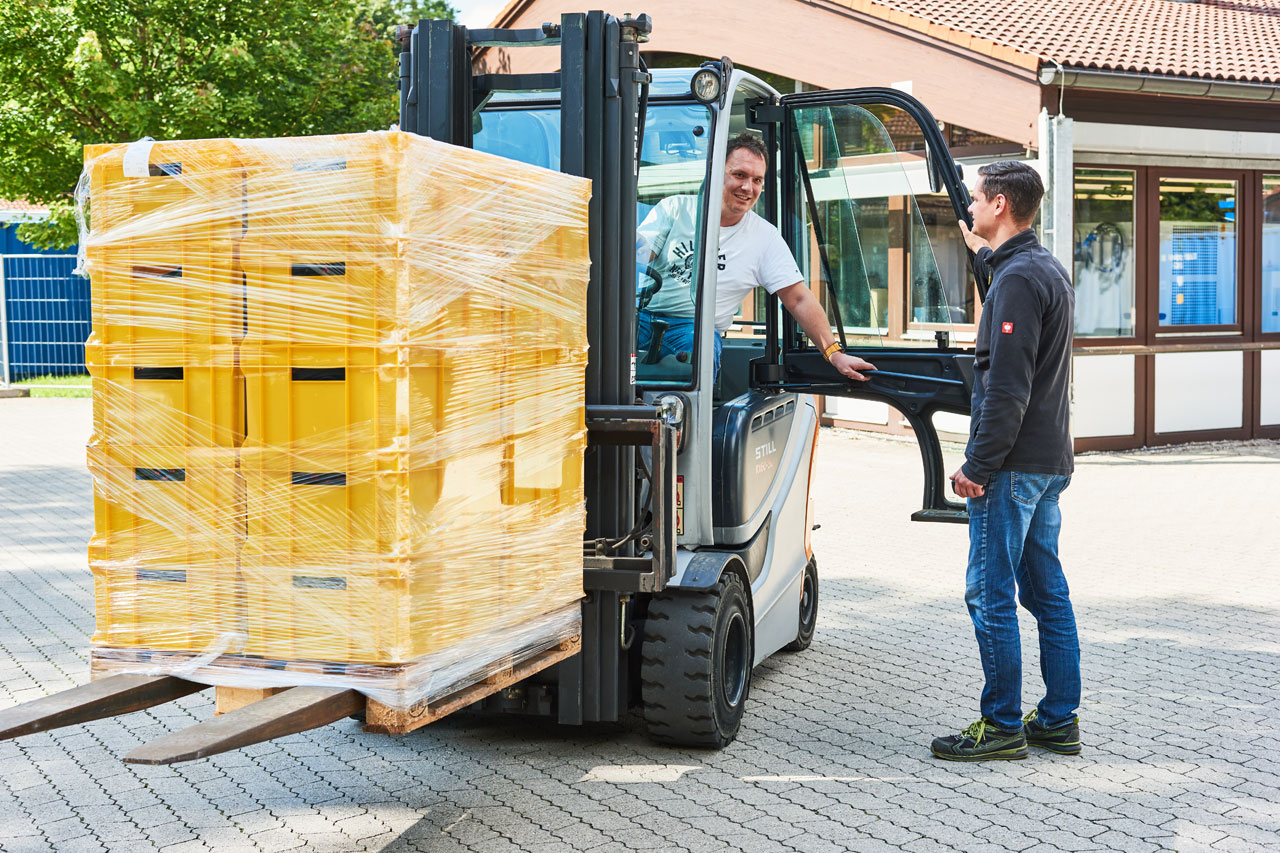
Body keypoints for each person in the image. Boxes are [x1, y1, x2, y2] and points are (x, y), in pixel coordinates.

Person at [932, 161, 1080, 762]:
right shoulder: (1043, 267)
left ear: (997, 203)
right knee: (1047, 594)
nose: (966, 208)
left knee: (988, 593)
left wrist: (977, 465)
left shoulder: (1017, 279)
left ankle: (1000, 727)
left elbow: (1008, 389)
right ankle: (1057, 720)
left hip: (1014, 467)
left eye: (972, 199)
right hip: (1049, 463)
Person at [636, 133, 874, 381]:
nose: (748, 187)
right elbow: (638, 256)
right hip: (641, 317)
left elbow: (798, 298)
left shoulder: (764, 237)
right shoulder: (675, 209)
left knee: (700, 351)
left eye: (757, 179)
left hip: (695, 329)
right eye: (739, 175)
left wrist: (834, 353)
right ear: (716, 172)